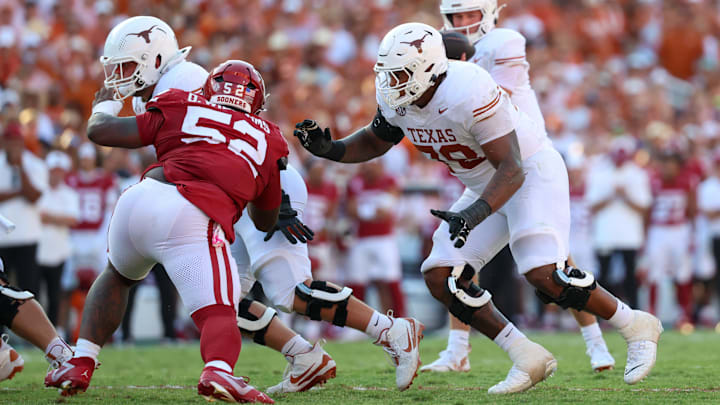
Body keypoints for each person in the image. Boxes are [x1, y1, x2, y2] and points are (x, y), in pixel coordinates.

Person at [295, 22, 662, 393]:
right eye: (387, 73)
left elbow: (512, 167)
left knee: (544, 275)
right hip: (485, 185)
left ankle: (634, 324)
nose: (392, 82)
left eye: (401, 72)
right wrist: (333, 150)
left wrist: (476, 212)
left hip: (531, 173)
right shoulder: (399, 95)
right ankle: (525, 354)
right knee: (441, 275)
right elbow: (377, 139)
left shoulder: (468, 87)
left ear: (427, 67)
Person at [44, 58, 285, 402]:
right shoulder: (270, 138)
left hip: (138, 201)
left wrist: (105, 105)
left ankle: (81, 360)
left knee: (117, 276)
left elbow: (102, 132)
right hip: (192, 212)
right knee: (220, 308)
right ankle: (218, 369)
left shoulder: (181, 102)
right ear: (257, 102)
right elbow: (265, 221)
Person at [422, 1, 614, 374]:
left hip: (523, 161)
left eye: (469, 15)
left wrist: (452, 66)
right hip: (483, 166)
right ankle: (457, 349)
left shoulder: (504, 41)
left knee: (554, 262)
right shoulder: (445, 52)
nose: (462, 23)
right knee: (458, 249)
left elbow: (494, 100)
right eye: (455, 17)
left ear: (490, 12)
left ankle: (596, 342)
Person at [586, 136, 652, 309]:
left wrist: (626, 196)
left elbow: (644, 206)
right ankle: (603, 311)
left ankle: (634, 310)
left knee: (630, 276)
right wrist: (611, 195)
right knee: (604, 275)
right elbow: (592, 205)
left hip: (629, 235)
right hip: (606, 234)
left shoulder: (637, 174)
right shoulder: (599, 173)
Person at [345, 159, 407, 316]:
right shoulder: (355, 182)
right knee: (356, 280)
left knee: (390, 280)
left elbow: (385, 211)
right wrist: (370, 212)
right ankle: (357, 321)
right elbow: (352, 210)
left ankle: (400, 319)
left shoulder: (389, 179)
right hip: (361, 238)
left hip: (384, 238)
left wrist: (365, 211)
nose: (368, 171)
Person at [643, 149, 696, 327]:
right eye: (664, 162)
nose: (667, 167)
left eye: (671, 163)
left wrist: (691, 233)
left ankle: (684, 315)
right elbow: (647, 210)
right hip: (658, 229)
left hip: (679, 228)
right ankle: (652, 314)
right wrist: (646, 234)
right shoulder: (653, 181)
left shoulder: (686, 181)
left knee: (682, 272)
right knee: (655, 271)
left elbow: (692, 209)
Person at [0, 122, 46, 296]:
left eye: (15, 140)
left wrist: (20, 167)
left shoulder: (35, 164)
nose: (12, 145)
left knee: (28, 289)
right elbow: (26, 193)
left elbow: (33, 196)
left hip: (27, 237)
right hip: (2, 239)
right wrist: (19, 192)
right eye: (8, 140)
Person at [36, 151, 79, 326]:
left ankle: (55, 332)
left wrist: (49, 218)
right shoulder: (39, 190)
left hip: (59, 251)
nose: (56, 174)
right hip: (38, 250)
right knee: (35, 295)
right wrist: (58, 218)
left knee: (56, 295)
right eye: (53, 170)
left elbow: (73, 219)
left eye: (59, 171)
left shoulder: (69, 193)